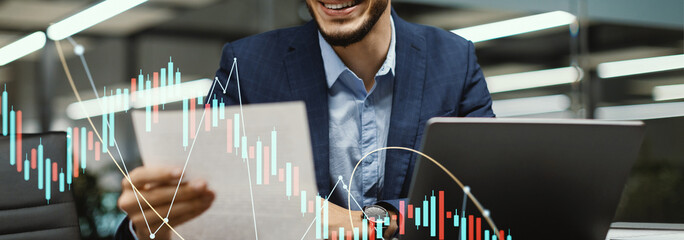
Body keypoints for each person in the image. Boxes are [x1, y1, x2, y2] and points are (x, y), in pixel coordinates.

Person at [116, 0, 494, 239]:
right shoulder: (248, 66)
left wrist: (376, 221)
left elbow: (483, 199)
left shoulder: (453, 60)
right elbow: (210, 201)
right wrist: (159, 225)